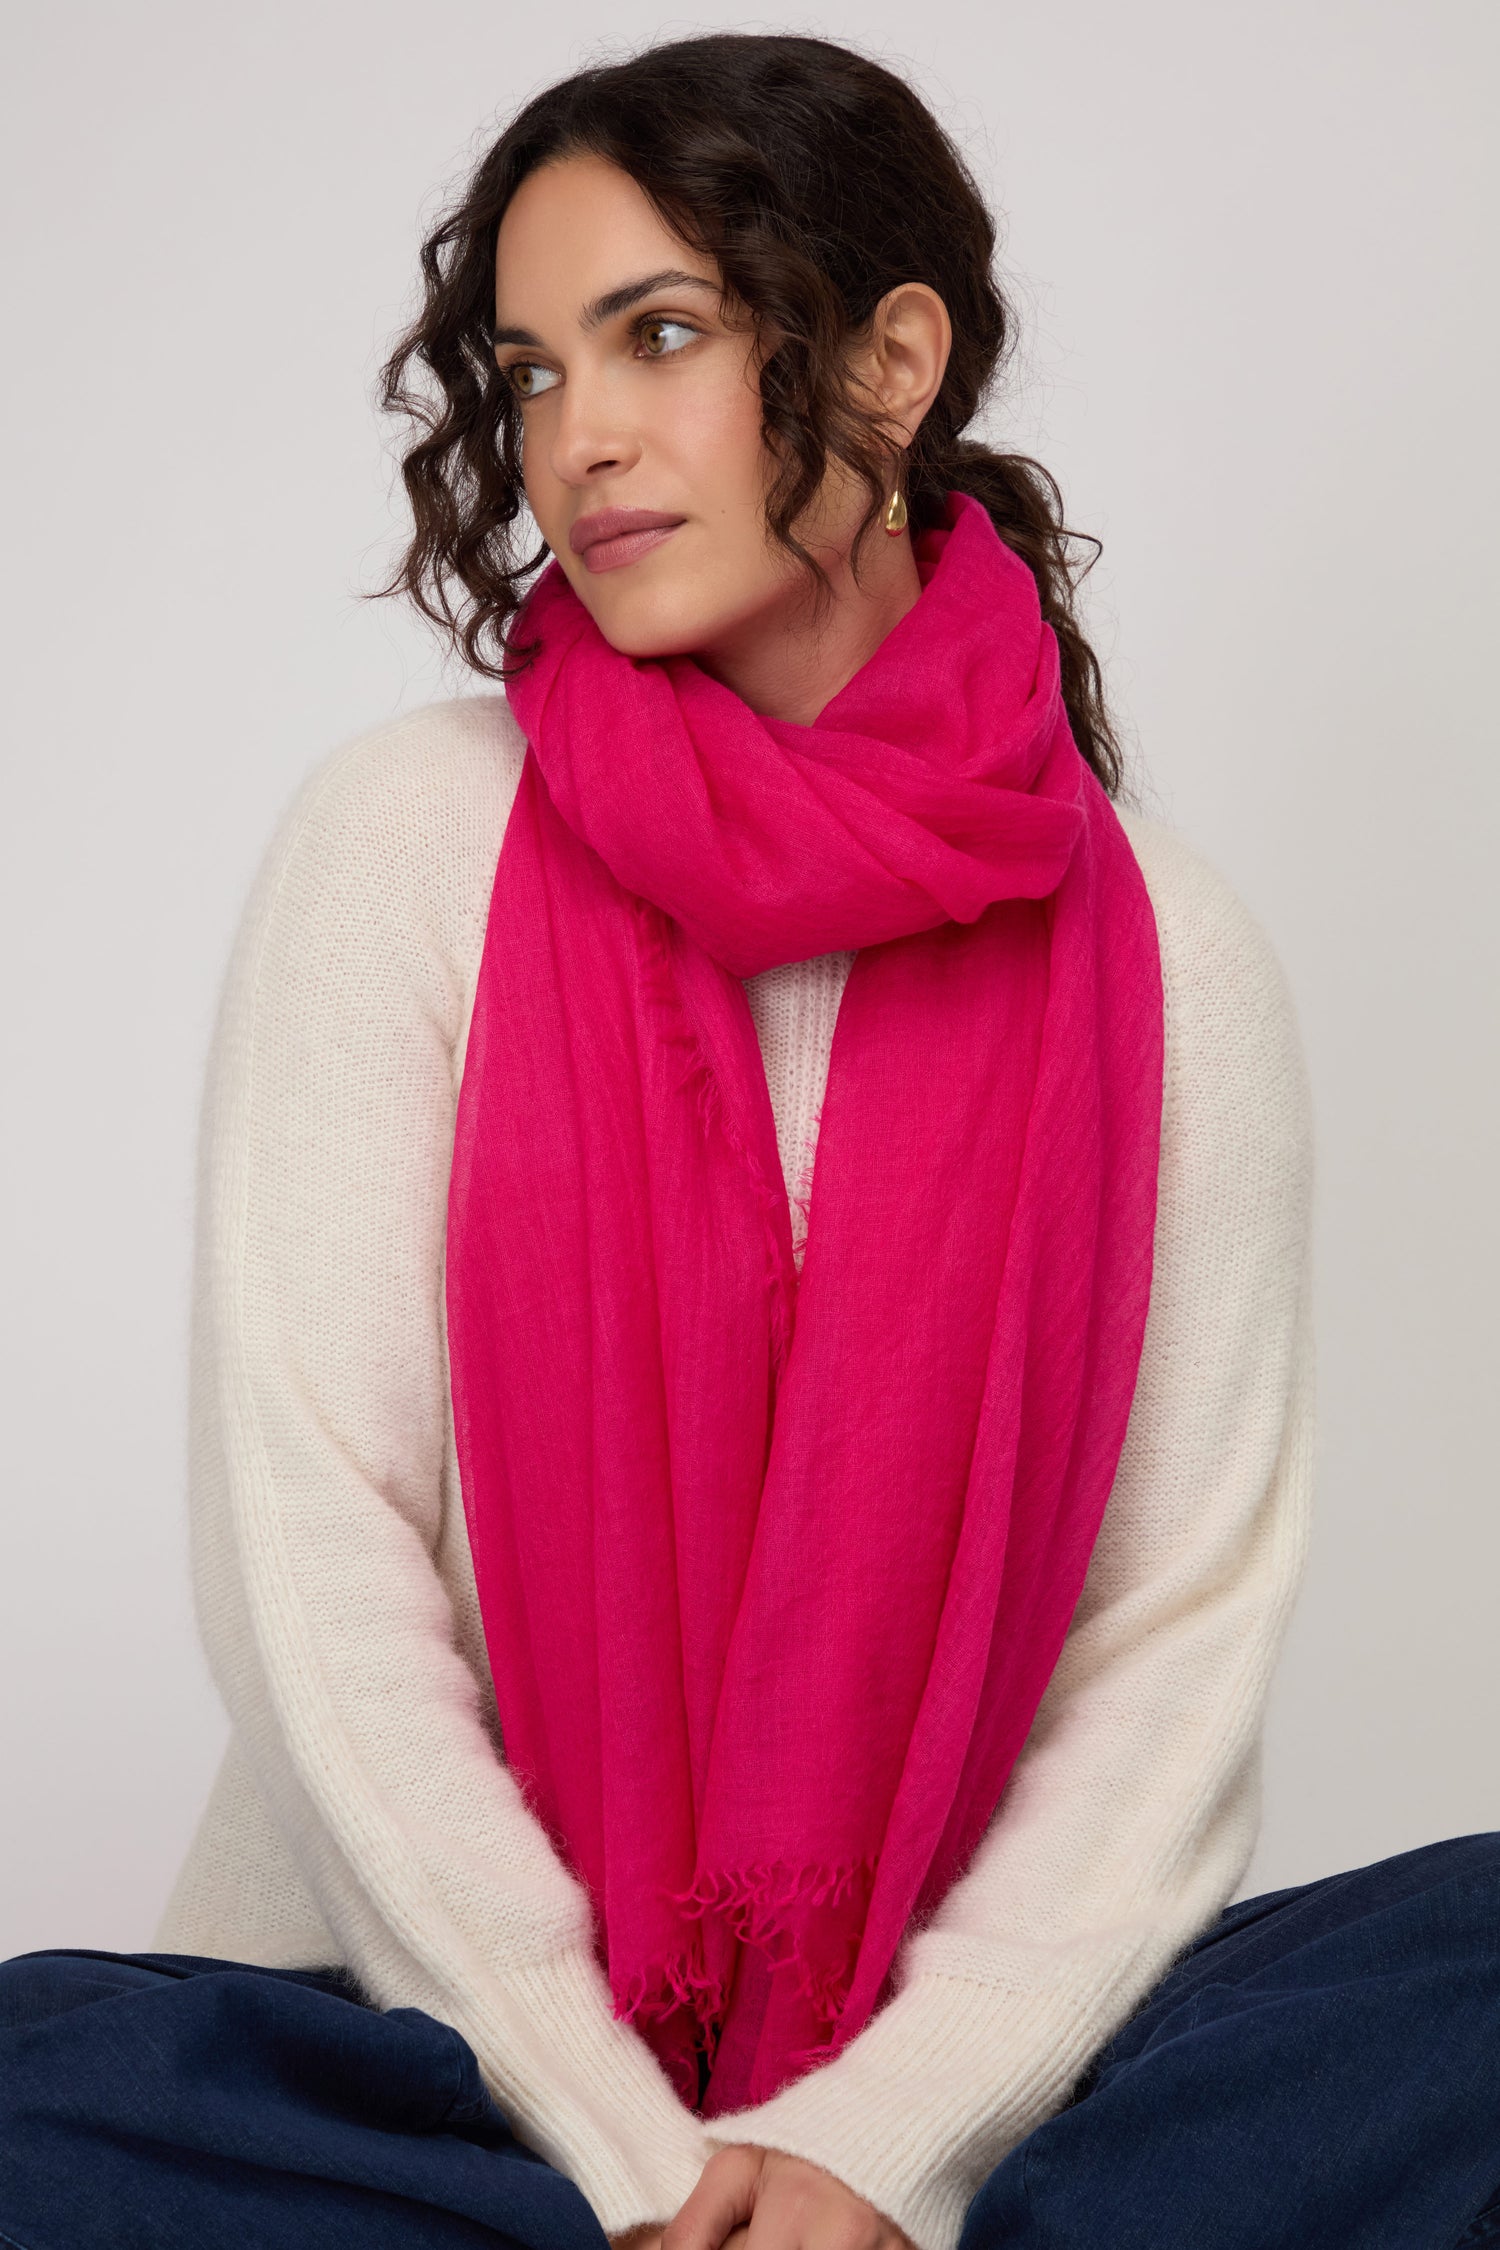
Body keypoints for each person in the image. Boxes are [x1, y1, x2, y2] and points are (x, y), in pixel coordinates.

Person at [2, 31, 1496, 2250]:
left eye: (660, 335)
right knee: (39, 2093)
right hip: (425, 2058)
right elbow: (315, 1561)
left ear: (893, 364)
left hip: (936, 2080)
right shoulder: (410, 844)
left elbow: (1168, 1650)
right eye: (531, 371)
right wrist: (627, 2158)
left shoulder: (1168, 958)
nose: (575, 437)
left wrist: (884, 2141)